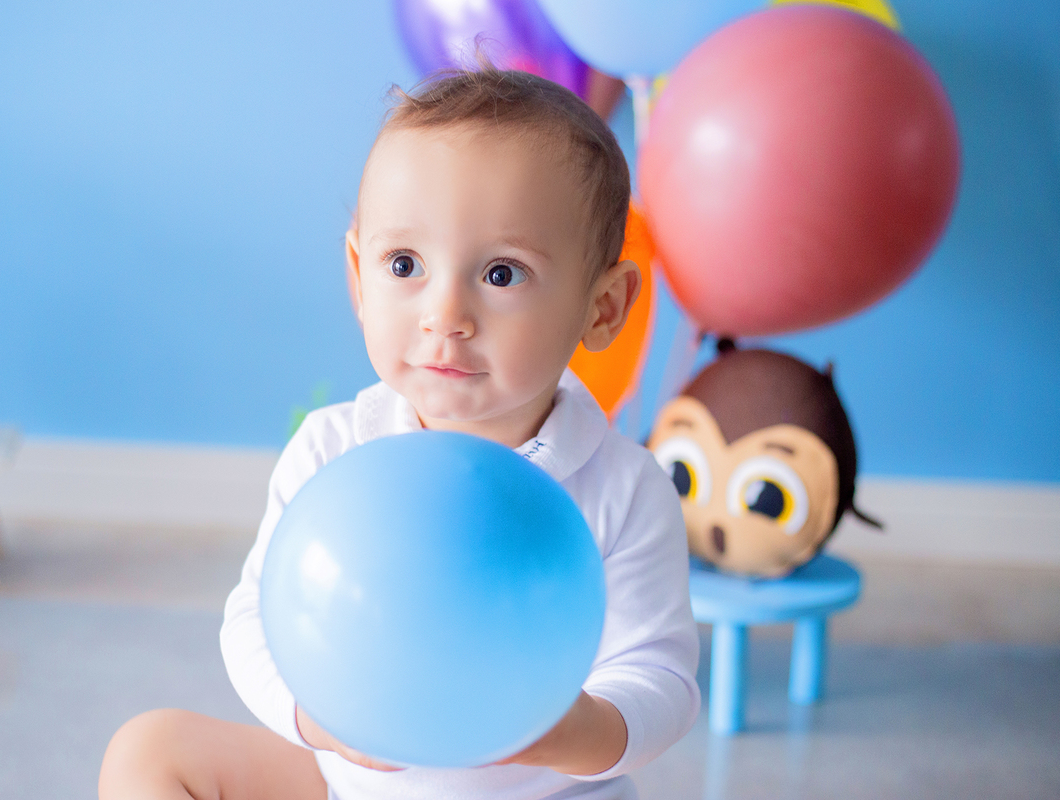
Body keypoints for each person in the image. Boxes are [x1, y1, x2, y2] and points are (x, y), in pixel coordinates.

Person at [99, 66, 699, 800]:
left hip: (544, 794)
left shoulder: (624, 489)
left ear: (602, 309)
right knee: (150, 751)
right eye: (405, 264)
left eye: (502, 274)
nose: (445, 314)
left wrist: (573, 729)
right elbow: (256, 620)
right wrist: (316, 721)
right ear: (360, 278)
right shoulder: (331, 452)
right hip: (349, 784)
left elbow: (660, 676)